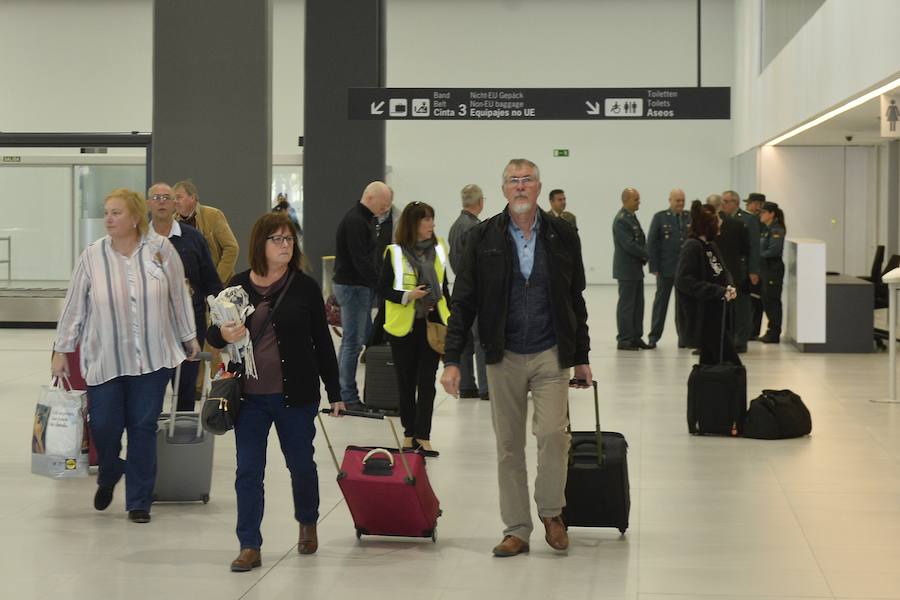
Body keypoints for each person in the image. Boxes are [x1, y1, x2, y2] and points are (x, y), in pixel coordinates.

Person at [440, 158, 592, 558]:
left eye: (527, 180)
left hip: (550, 352)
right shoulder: (483, 236)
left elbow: (575, 298)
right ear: (503, 189)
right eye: (513, 181)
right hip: (502, 355)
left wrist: (582, 355)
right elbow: (464, 300)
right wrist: (452, 358)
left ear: (539, 187)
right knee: (509, 447)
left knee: (553, 436)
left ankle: (551, 513)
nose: (520, 187)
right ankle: (517, 529)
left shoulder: (562, 234)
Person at [51, 188, 199, 524]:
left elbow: (177, 295)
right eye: (106, 212)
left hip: (153, 356)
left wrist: (188, 337)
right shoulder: (92, 256)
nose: (108, 219)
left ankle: (139, 502)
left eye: (116, 213)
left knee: (143, 427)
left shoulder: (161, 251)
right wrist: (62, 348)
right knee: (103, 424)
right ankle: (110, 471)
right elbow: (74, 305)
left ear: (134, 217)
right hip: (105, 358)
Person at [206, 212, 342, 572]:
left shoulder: (305, 287)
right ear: (260, 245)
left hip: (295, 396)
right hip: (248, 398)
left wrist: (336, 390)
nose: (285, 245)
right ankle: (249, 544)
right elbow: (213, 335)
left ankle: (307, 521)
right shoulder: (238, 286)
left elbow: (322, 343)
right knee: (248, 472)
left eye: (289, 239)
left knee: (300, 464)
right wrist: (225, 336)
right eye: (277, 239)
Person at [379, 201, 451, 457]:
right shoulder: (394, 253)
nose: (431, 225)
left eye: (432, 219)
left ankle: (424, 435)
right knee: (406, 382)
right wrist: (408, 296)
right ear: (413, 224)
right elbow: (383, 289)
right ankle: (409, 434)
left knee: (427, 382)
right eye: (426, 220)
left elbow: (445, 286)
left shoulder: (439, 248)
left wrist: (449, 321)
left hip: (431, 324)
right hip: (403, 328)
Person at [148, 182, 223, 409]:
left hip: (190, 326)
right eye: (156, 197)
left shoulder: (193, 239)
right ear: (148, 203)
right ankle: (152, 438)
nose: (161, 201)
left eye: (167, 197)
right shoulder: (138, 239)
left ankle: (183, 439)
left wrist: (222, 321)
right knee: (150, 392)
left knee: (186, 390)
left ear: (175, 204)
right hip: (149, 328)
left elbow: (211, 281)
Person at [332, 181, 394, 409]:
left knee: (356, 340)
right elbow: (361, 262)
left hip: (359, 287)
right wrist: (382, 286)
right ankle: (347, 396)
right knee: (352, 343)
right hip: (353, 287)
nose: (386, 209)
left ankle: (344, 392)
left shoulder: (366, 219)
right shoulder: (355, 221)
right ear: (370, 198)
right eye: (384, 204)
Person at [675, 201, 739, 365]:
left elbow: (723, 271)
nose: (721, 224)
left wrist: (729, 287)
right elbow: (684, 281)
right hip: (703, 317)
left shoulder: (711, 246)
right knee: (727, 363)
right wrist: (718, 291)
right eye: (717, 221)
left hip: (717, 315)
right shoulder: (692, 247)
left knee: (716, 362)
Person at [447, 184, 488, 400]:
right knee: (481, 339)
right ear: (480, 201)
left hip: (461, 288)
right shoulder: (475, 227)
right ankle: (485, 386)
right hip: (476, 290)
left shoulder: (456, 226)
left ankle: (467, 385)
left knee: (465, 341)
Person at [173, 180, 240, 285]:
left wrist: (216, 279)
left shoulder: (213, 215)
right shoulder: (172, 223)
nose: (175, 201)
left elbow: (231, 248)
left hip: (217, 288)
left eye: (179, 197)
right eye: (173, 198)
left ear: (193, 197)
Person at [707, 193, 750, 353]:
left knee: (718, 310)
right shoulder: (737, 224)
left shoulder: (709, 226)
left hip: (716, 273)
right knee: (733, 310)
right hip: (730, 272)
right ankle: (734, 342)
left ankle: (719, 342)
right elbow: (745, 250)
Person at [646, 188, 689, 349]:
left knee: (683, 306)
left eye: (682, 200)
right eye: (677, 200)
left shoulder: (688, 217)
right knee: (660, 304)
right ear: (670, 200)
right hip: (665, 269)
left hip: (684, 271)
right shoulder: (660, 217)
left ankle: (683, 338)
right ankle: (654, 337)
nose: (680, 203)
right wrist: (654, 266)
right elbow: (652, 243)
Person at [722, 190, 760, 351]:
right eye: (722, 201)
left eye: (726, 201)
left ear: (735, 203)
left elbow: (753, 246)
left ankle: (741, 340)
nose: (723, 205)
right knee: (729, 305)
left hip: (742, 270)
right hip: (727, 270)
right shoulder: (722, 219)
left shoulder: (748, 219)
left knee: (742, 306)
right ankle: (729, 338)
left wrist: (753, 271)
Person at [613, 187, 649, 350]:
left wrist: (645, 253)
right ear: (626, 200)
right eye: (636, 199)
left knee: (638, 305)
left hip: (635, 268)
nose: (639, 202)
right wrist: (647, 254)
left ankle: (636, 336)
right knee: (627, 305)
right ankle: (625, 338)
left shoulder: (631, 217)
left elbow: (640, 239)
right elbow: (629, 245)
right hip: (626, 269)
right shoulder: (621, 220)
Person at [757, 201, 786, 343]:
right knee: (767, 300)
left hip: (773, 269)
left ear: (772, 214)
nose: (761, 215)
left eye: (763, 212)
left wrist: (758, 255)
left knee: (773, 300)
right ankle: (770, 330)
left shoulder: (776, 229)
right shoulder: (766, 228)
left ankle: (774, 333)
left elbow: (774, 250)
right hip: (765, 268)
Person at [744, 192, 767, 338]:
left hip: (759, 267)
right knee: (751, 299)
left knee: (756, 300)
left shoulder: (760, 222)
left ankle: (753, 331)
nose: (747, 206)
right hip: (752, 266)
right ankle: (750, 330)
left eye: (750, 203)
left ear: (758, 205)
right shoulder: (751, 219)